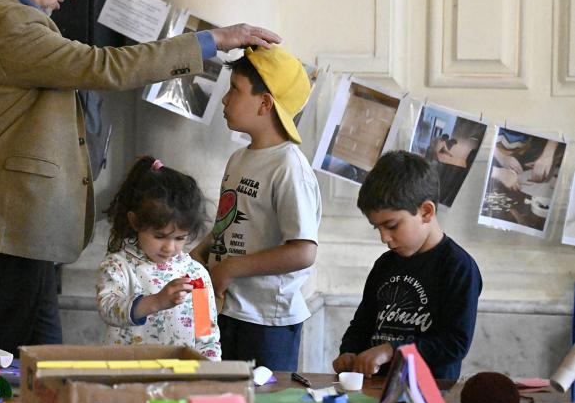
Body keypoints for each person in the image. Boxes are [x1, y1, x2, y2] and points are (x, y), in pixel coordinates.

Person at [0, 0, 280, 355]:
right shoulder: (6, 21)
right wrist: (210, 41)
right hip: (6, 228)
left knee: (36, 369)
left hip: (8, 226)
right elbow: (104, 66)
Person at [193, 46, 321, 371]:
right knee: (219, 400)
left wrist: (232, 267)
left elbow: (303, 251)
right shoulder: (239, 158)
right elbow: (231, 222)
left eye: (235, 89)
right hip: (225, 311)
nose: (224, 99)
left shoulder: (289, 167)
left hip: (266, 322)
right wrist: (202, 250)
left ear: (265, 103)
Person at [332, 151, 482, 380]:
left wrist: (393, 350)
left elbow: (454, 344)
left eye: (391, 225)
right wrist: (349, 351)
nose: (384, 238)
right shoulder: (385, 264)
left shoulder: (458, 267)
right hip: (376, 389)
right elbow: (363, 323)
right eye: (377, 228)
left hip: (429, 394)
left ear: (426, 212)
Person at [96, 156, 220, 359]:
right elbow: (109, 310)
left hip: (179, 381)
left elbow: (206, 335)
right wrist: (156, 301)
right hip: (127, 376)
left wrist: (212, 374)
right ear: (135, 221)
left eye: (180, 238)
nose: (169, 247)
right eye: (159, 236)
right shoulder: (118, 265)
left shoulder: (195, 275)